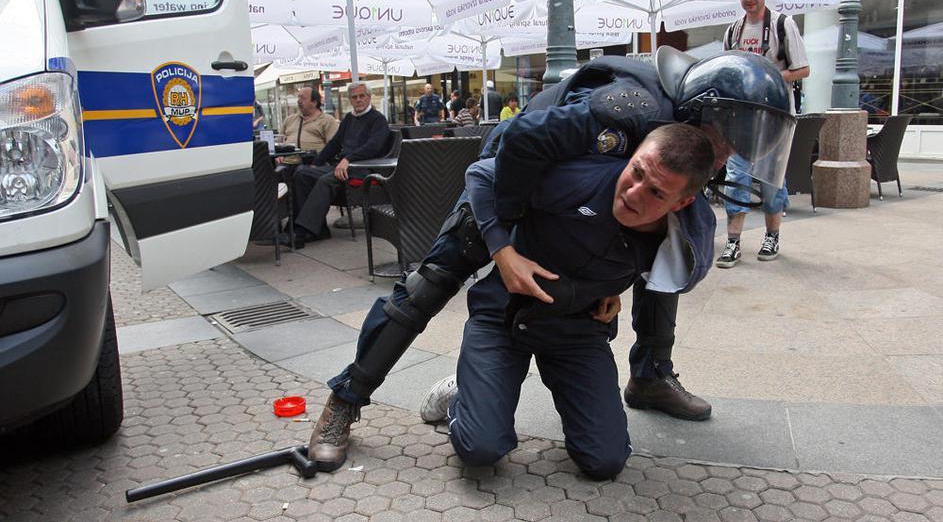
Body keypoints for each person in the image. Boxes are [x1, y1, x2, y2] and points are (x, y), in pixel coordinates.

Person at [305, 51, 795, 470]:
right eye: (726, 139)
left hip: (580, 210)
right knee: (426, 287)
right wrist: (504, 245)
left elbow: (653, 252)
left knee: (667, 247)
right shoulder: (627, 109)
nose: (728, 152)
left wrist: (609, 284)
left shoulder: (684, 150)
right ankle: (344, 401)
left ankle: (650, 375)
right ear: (698, 112)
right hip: (506, 180)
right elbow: (518, 144)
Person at [420, 124, 716, 479]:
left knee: (605, 461)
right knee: (481, 448)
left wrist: (612, 288)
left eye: (655, 192)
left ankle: (508, 399)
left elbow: (655, 269)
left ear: (681, 204)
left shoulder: (684, 242)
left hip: (577, 328)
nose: (634, 193)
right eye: (636, 172)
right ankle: (461, 395)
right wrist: (503, 252)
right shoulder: (582, 176)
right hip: (504, 315)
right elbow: (480, 174)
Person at [717, 0, 809, 268]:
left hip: (776, 117)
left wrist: (765, 78)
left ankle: (772, 236)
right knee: (736, 179)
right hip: (742, 119)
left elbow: (803, 69)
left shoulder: (783, 24)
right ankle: (733, 241)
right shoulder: (733, 30)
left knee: (772, 180)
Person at [290, 83, 389, 247]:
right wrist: (317, 163)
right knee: (302, 173)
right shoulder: (349, 118)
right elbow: (335, 143)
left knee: (326, 180)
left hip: (363, 169)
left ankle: (301, 232)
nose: (359, 100)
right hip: (343, 166)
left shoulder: (378, 119)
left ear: (369, 97)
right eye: (354, 97)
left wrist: (348, 159)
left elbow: (373, 146)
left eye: (362, 96)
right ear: (350, 99)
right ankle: (318, 229)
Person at [276, 87, 339, 166]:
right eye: (298, 97)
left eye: (303, 98)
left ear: (314, 102)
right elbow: (279, 142)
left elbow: (333, 147)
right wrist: (279, 155)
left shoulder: (327, 120)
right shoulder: (290, 120)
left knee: (301, 171)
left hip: (313, 164)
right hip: (286, 163)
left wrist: (318, 161)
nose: (299, 100)